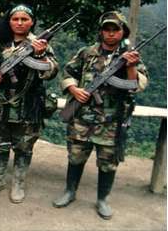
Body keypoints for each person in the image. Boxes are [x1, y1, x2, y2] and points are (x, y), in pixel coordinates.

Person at [52, 11, 148, 220]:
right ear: (101, 31)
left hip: (112, 122)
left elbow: (136, 86)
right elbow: (67, 73)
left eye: (116, 30)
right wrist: (74, 89)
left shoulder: (131, 57)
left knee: (107, 163)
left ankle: (102, 199)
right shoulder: (87, 52)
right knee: (75, 157)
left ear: (123, 32)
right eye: (107, 29)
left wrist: (130, 66)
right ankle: (70, 192)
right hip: (81, 119)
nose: (111, 34)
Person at [0, 4, 59, 203]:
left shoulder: (40, 44)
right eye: (16, 19)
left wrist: (39, 55)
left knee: (24, 147)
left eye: (25, 19)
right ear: (9, 21)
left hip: (28, 105)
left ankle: (18, 182)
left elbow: (52, 71)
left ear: (32, 22)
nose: (20, 23)